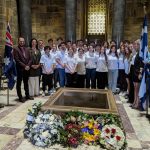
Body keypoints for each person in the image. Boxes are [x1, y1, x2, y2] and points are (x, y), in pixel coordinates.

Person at [13, 37, 32, 102]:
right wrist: (25, 66)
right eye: (20, 41)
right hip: (20, 70)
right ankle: (20, 97)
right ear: (18, 41)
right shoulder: (15, 49)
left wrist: (28, 65)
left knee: (26, 83)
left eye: (23, 41)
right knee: (19, 84)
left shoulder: (27, 49)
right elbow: (17, 60)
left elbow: (30, 59)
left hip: (27, 70)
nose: (22, 42)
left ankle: (27, 95)